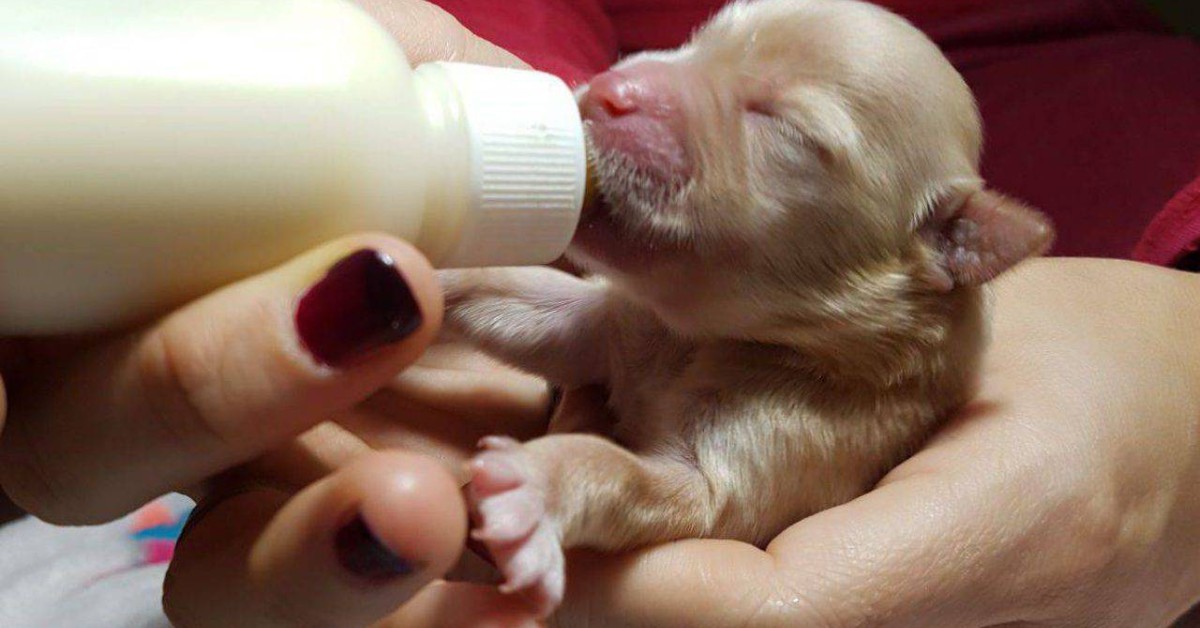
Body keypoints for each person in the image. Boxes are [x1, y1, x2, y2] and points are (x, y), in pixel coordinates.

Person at [0, 1, 1197, 626]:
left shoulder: (838, 381)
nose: (635, 88)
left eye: (776, 128)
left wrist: (1176, 339)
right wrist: (406, 241)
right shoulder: (704, 297)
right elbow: (564, 316)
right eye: (694, 46)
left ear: (945, 250)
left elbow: (690, 494)